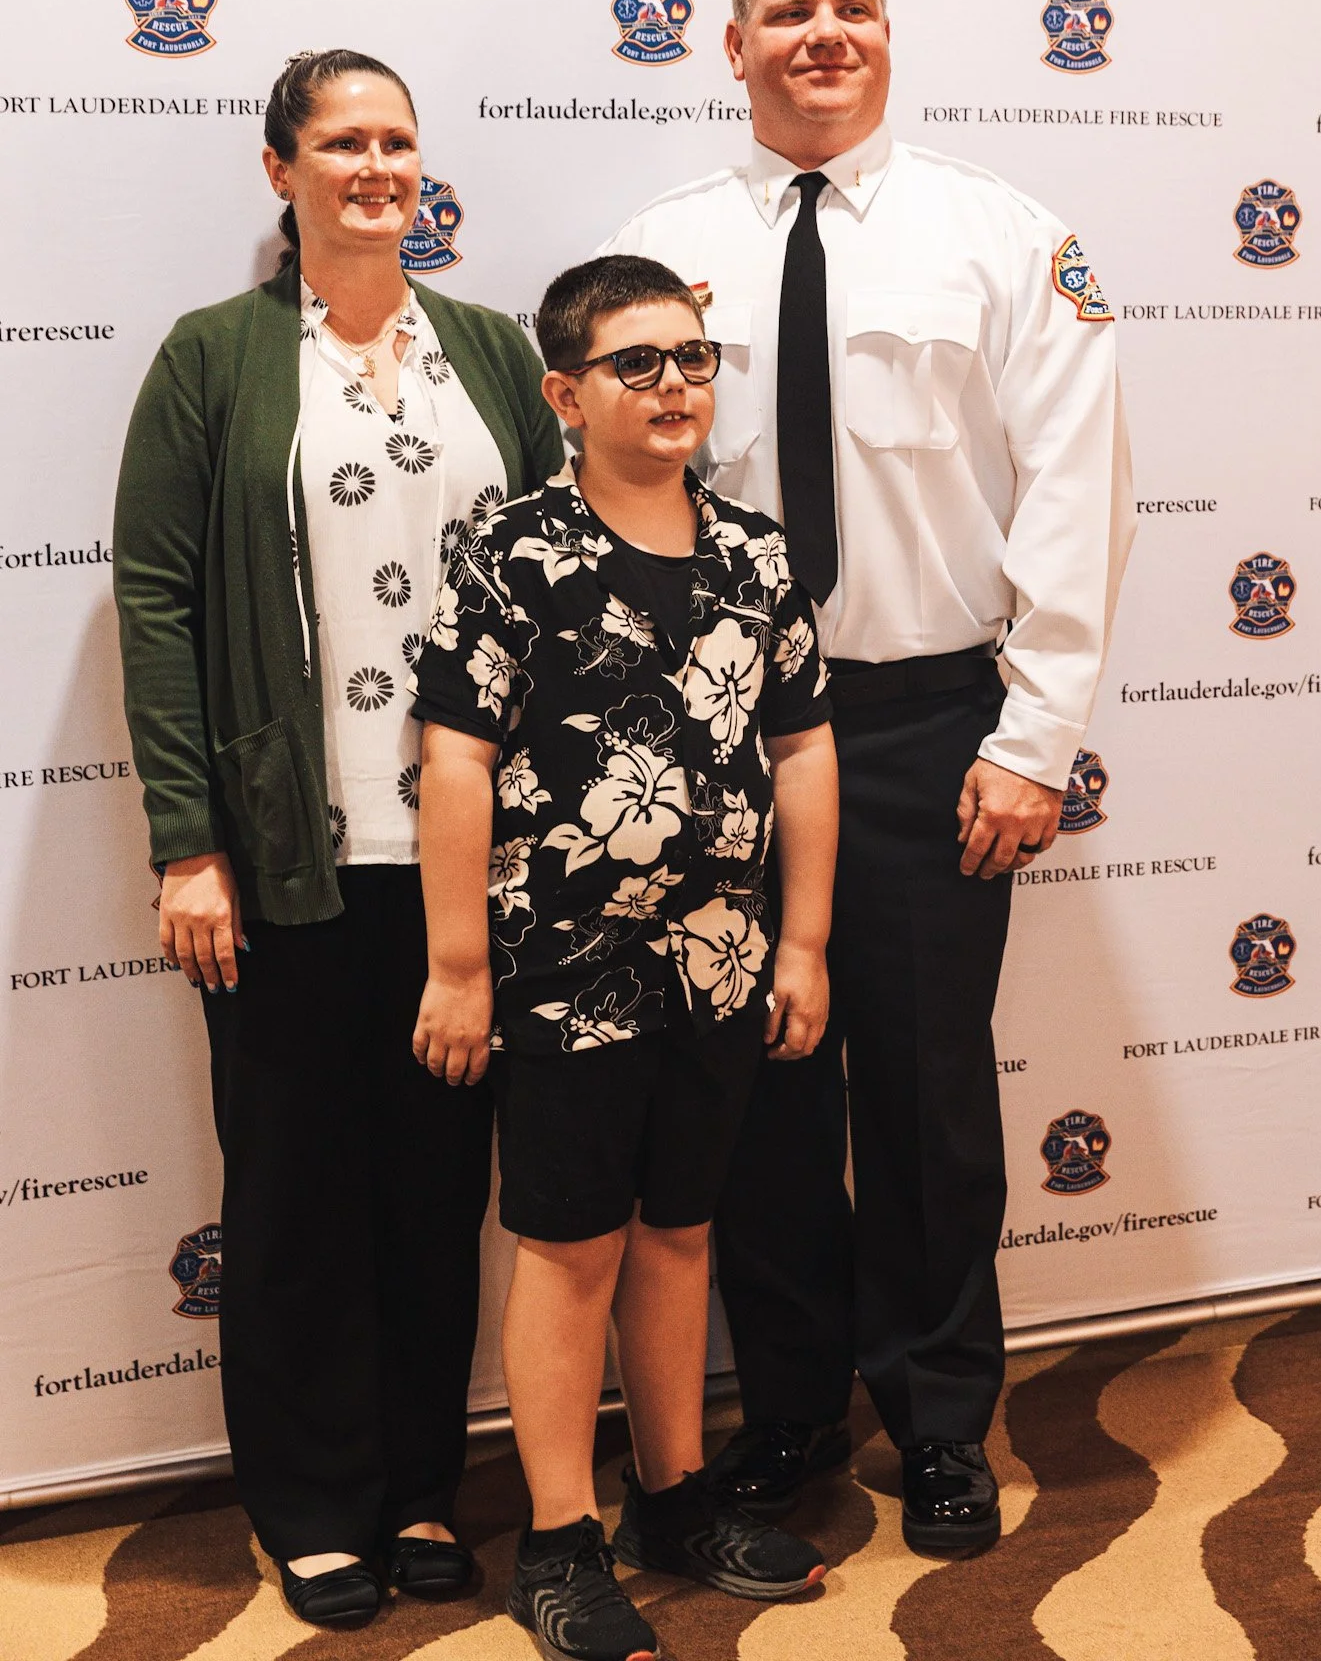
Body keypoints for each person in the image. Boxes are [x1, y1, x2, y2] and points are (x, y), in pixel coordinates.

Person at [599, 0, 1135, 1555]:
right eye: (788, 14)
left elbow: (1076, 491)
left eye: (851, 9)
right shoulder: (662, 246)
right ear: (733, 44)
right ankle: (787, 1415)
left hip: (923, 724)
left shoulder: (1001, 234)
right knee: (756, 1095)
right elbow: (626, 489)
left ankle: (941, 1418)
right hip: (724, 737)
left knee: (921, 1093)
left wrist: (1034, 737)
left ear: (887, 33)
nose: (823, 36)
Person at [113, 49, 563, 1630]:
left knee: (441, 1187)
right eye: (344, 140)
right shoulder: (218, 359)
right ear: (280, 169)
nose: (378, 164)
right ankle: (311, 1504)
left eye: (399, 139)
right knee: (300, 1189)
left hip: (475, 863)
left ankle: (425, 1487)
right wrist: (188, 841)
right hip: (292, 858)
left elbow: (559, 584)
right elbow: (158, 604)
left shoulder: (499, 356)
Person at [410, 254, 837, 1661]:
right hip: (561, 962)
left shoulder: (756, 554)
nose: (673, 385)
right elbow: (458, 762)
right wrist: (459, 967)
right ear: (566, 393)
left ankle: (676, 1499)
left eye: (694, 358)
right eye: (636, 362)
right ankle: (557, 1534)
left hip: (720, 958)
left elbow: (803, 745)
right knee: (573, 1245)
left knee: (679, 1234)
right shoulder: (510, 548)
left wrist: (805, 940)